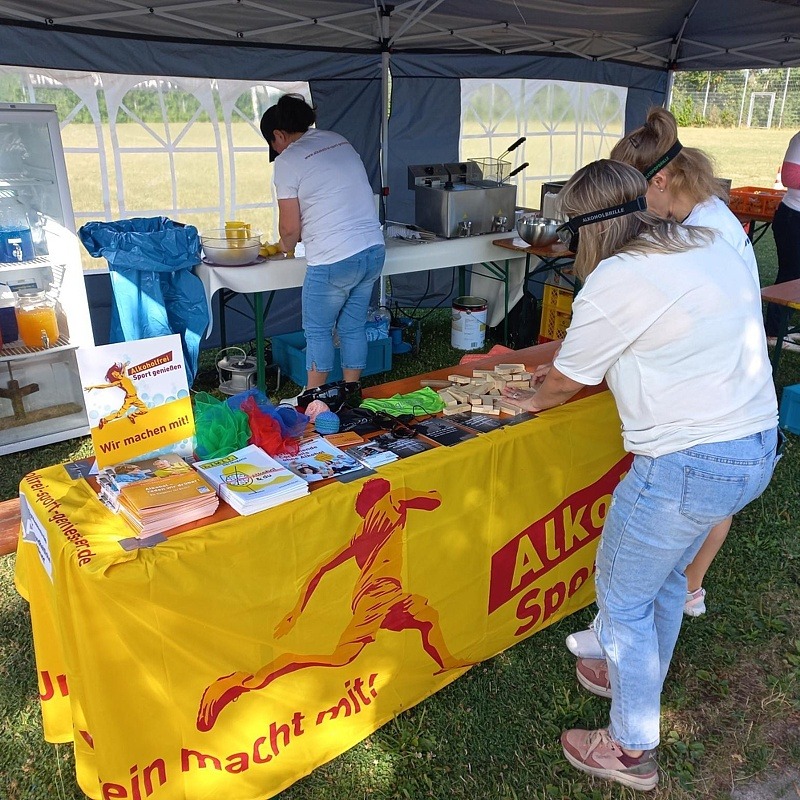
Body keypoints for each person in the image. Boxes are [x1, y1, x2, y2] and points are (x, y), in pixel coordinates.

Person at [502, 159, 780, 792]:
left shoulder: (617, 279)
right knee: (660, 586)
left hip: (687, 464)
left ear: (587, 230)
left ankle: (630, 750)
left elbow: (569, 380)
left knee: (622, 601)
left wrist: (527, 397)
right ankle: (633, 675)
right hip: (753, 448)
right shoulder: (707, 237)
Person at [571, 106, 759, 632]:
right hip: (733, 412)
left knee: (636, 592)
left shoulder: (704, 232)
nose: (635, 212)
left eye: (635, 196)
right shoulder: (703, 222)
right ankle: (680, 589)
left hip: (707, 422)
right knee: (702, 515)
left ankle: (680, 594)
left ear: (660, 181)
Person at [196, 478, 472, 732]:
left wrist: (296, 611)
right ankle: (245, 681)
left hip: (370, 596)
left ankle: (447, 662)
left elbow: (319, 570)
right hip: (380, 593)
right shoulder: (393, 501)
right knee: (342, 657)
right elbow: (433, 499)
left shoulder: (359, 536)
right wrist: (422, 496)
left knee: (425, 615)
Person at [259, 94, 385, 395]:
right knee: (352, 327)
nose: (276, 151)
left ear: (279, 135)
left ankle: (315, 400)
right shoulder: (337, 139)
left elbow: (290, 228)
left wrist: (284, 245)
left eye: (273, 145)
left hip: (334, 259)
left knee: (317, 332)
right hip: (372, 250)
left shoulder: (288, 160)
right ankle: (351, 393)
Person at [765, 130, 800, 346]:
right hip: (793, 218)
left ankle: (780, 326)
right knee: (791, 275)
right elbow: (789, 176)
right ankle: (773, 333)